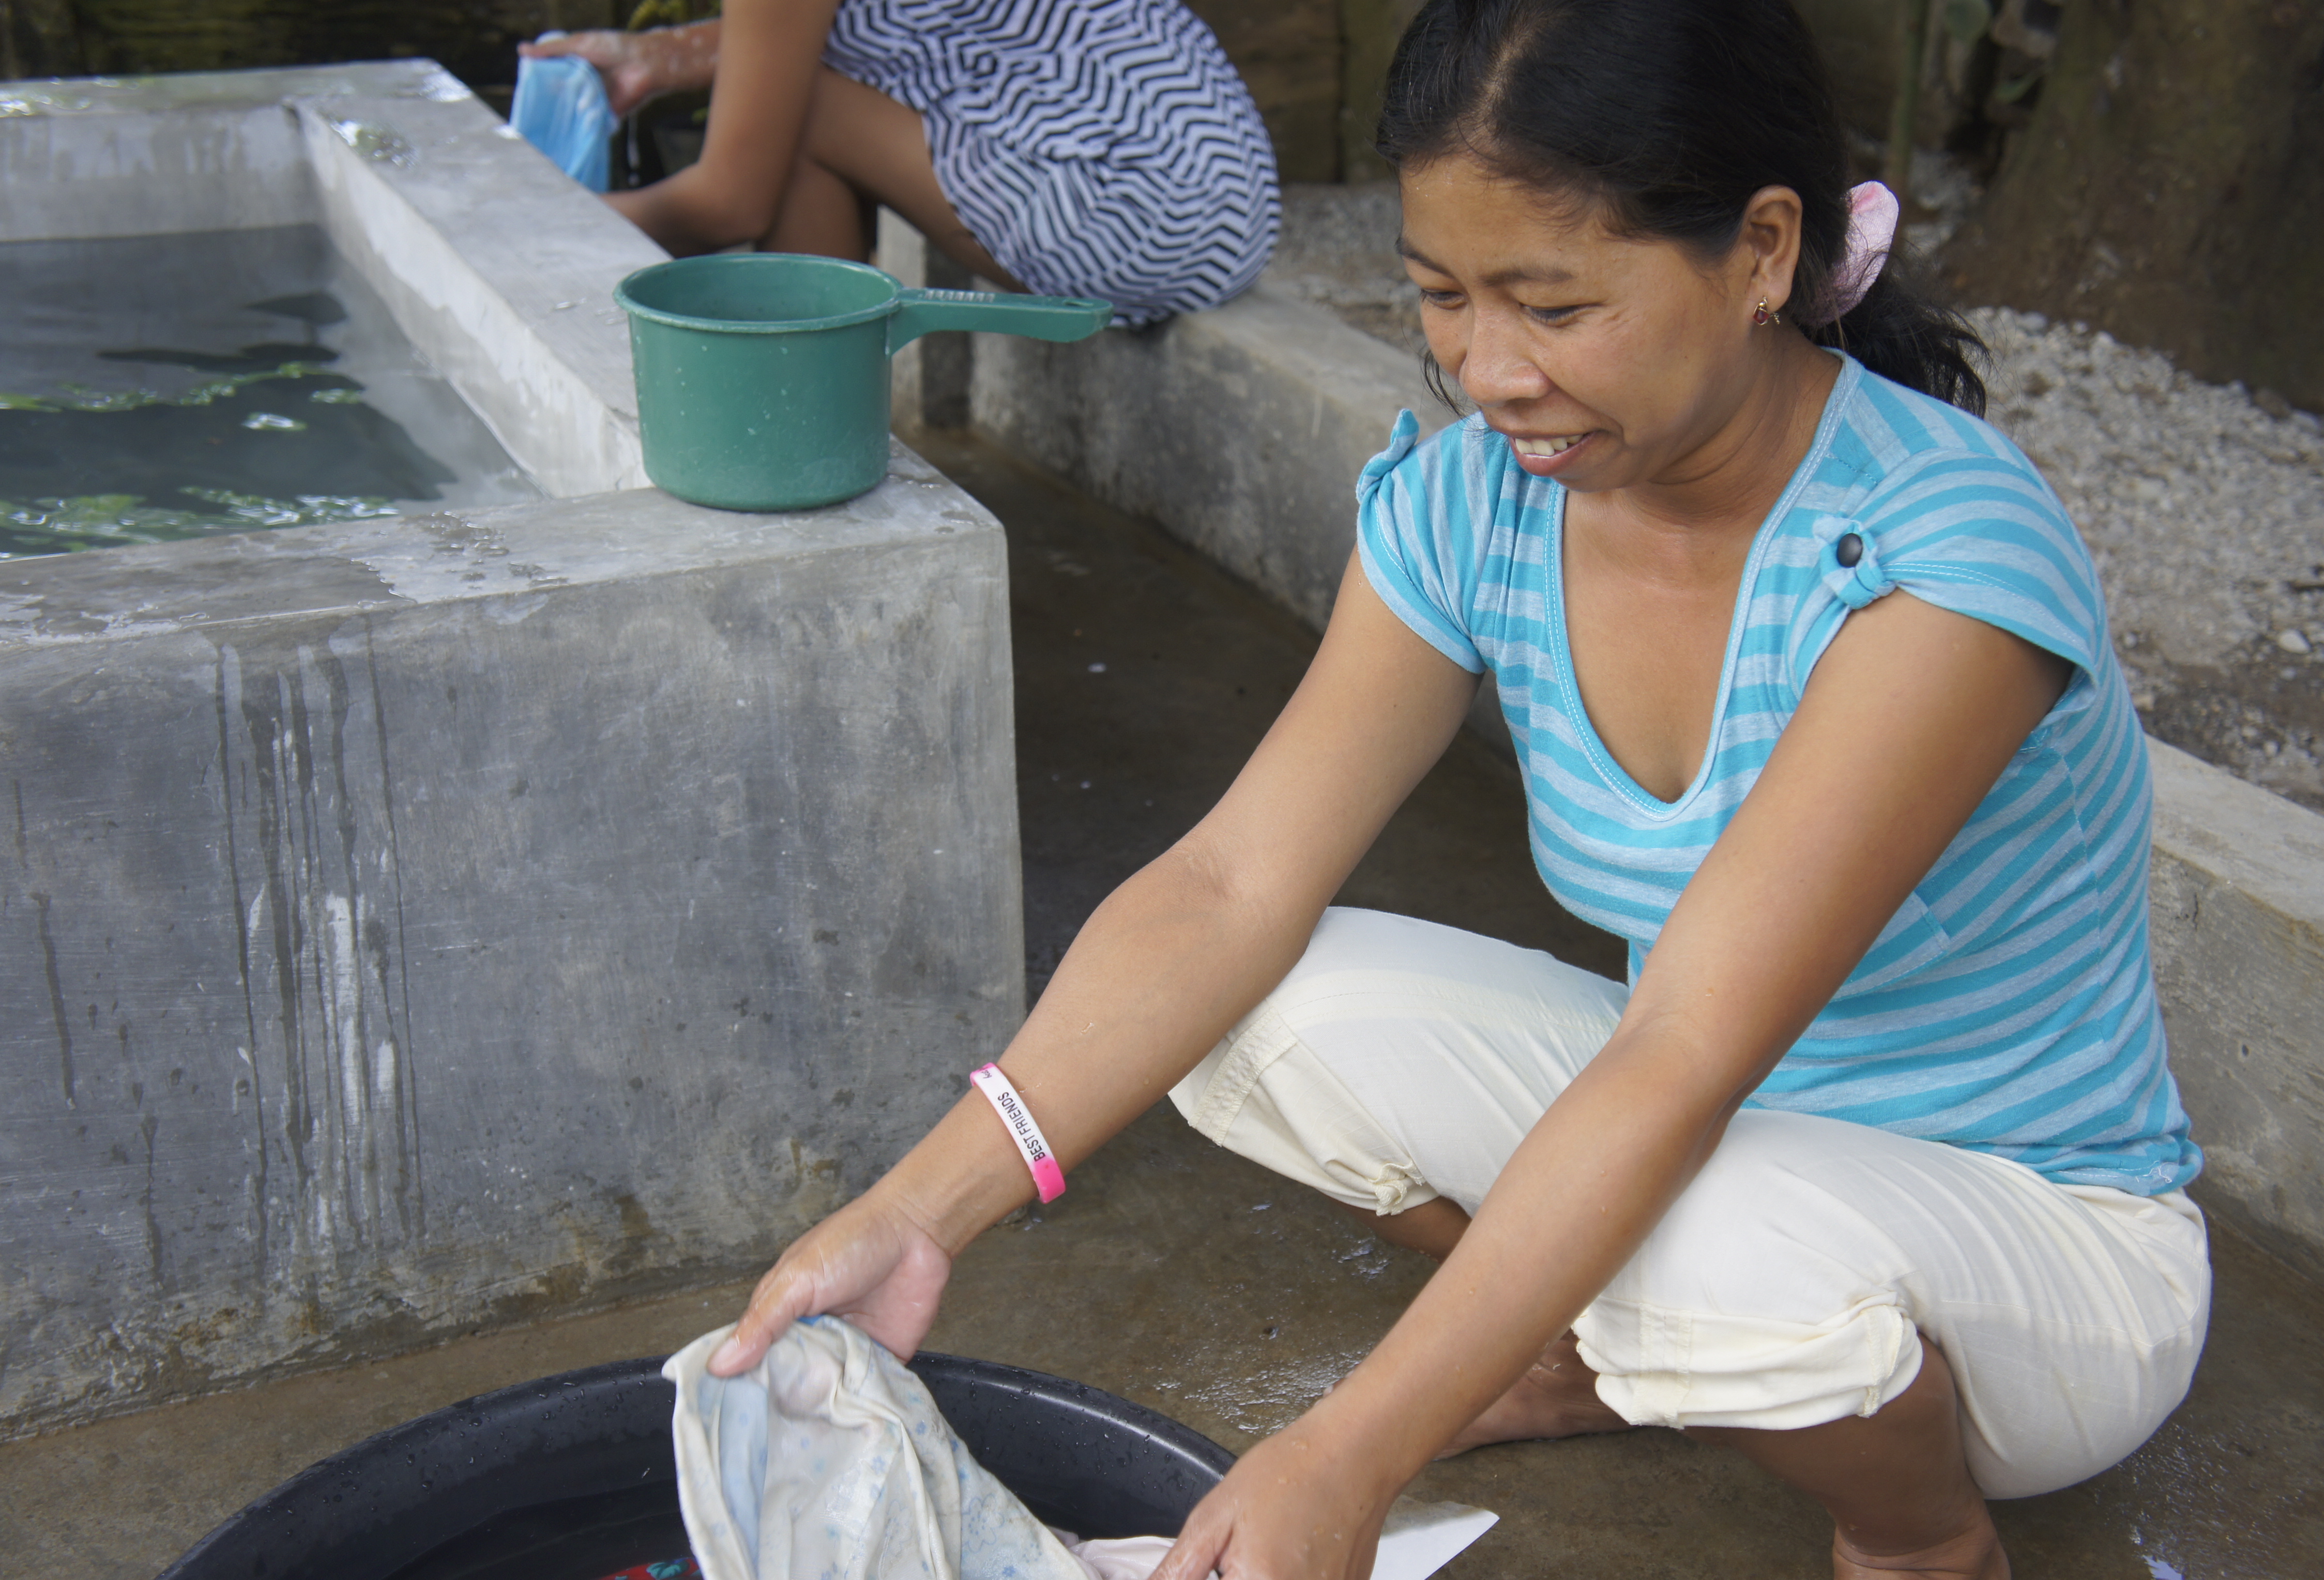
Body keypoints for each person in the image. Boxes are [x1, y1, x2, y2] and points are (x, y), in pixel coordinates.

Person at [697, 1, 2211, 1574]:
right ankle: (1616, 1354)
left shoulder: (1938, 568)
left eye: (1553, 306)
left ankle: (1918, 1536)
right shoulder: (1475, 503)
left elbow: (1688, 1049)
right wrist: (919, 1209)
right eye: (1441, 297)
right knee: (1242, 1000)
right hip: (1716, 1136)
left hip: (2042, 1254)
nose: (1490, 372)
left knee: (1716, 1247)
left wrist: (1347, 1457)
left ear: (1764, 251)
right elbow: (1229, 885)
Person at [522, 0, 1278, 327]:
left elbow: (726, 206)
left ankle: (817, 417)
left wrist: (533, 220)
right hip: (1221, 188)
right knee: (794, 103)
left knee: (797, 122)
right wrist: (658, 56)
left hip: (1129, 199)